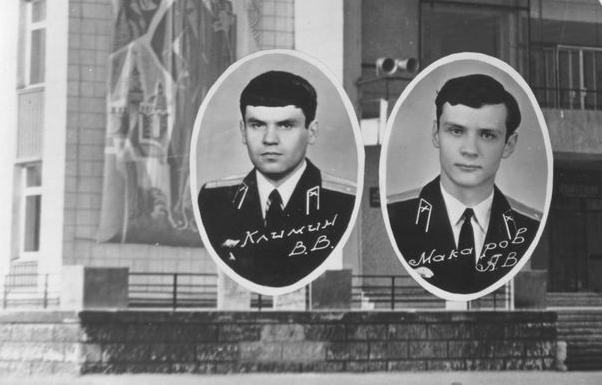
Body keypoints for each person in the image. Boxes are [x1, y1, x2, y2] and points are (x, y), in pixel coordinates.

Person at [196, 70, 356, 289]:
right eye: (257, 125)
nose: (270, 139)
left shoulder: (343, 201)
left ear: (312, 132)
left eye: (286, 125)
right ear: (243, 131)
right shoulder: (214, 199)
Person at [387, 74, 542, 296]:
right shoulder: (396, 217)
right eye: (456, 131)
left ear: (509, 144)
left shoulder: (528, 226)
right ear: (436, 134)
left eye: (487, 135)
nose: (470, 150)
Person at [152, 0, 237, 232]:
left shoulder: (225, 6)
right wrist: (180, 71)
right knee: (184, 144)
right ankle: (177, 207)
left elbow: (230, 49)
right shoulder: (184, 4)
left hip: (218, 87)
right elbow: (158, 42)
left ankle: (200, 208)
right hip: (192, 87)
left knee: (213, 147)